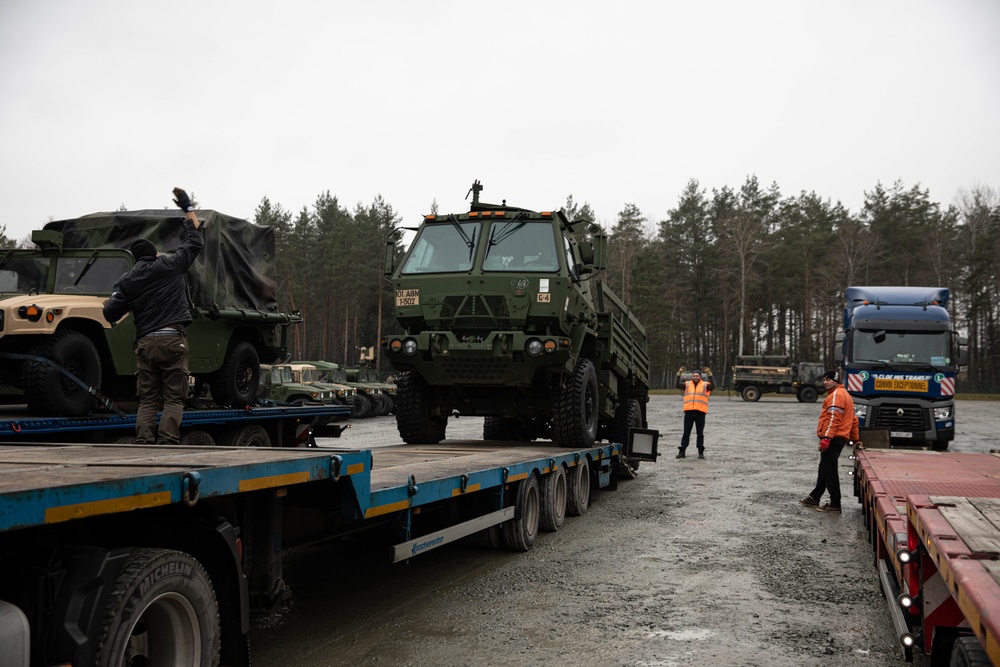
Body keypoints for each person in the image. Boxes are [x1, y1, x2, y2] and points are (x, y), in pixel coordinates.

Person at [103, 188, 205, 444]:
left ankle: (144, 442)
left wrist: (116, 292)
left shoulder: (129, 281)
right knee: (173, 398)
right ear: (154, 253)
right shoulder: (170, 264)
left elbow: (110, 313)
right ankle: (168, 442)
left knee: (148, 399)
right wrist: (187, 208)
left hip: (146, 344)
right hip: (173, 340)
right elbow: (196, 242)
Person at [800, 369, 862, 512]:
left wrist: (827, 438)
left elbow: (834, 418)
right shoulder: (846, 395)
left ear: (836, 381)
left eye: (828, 379)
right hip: (839, 438)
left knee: (829, 470)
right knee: (824, 469)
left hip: (833, 438)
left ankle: (835, 503)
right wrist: (856, 439)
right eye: (824, 380)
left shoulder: (836, 395)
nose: (825, 382)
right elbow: (854, 420)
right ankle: (814, 498)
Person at [676, 366, 715, 459]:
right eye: (694, 376)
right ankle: (682, 451)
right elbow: (677, 385)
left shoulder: (706, 385)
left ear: (700, 377)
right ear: (692, 377)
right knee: (686, 433)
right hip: (689, 411)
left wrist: (710, 374)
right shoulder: (687, 384)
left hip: (700, 412)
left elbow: (714, 386)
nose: (695, 377)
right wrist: (679, 373)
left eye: (697, 375)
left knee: (700, 433)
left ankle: (700, 452)